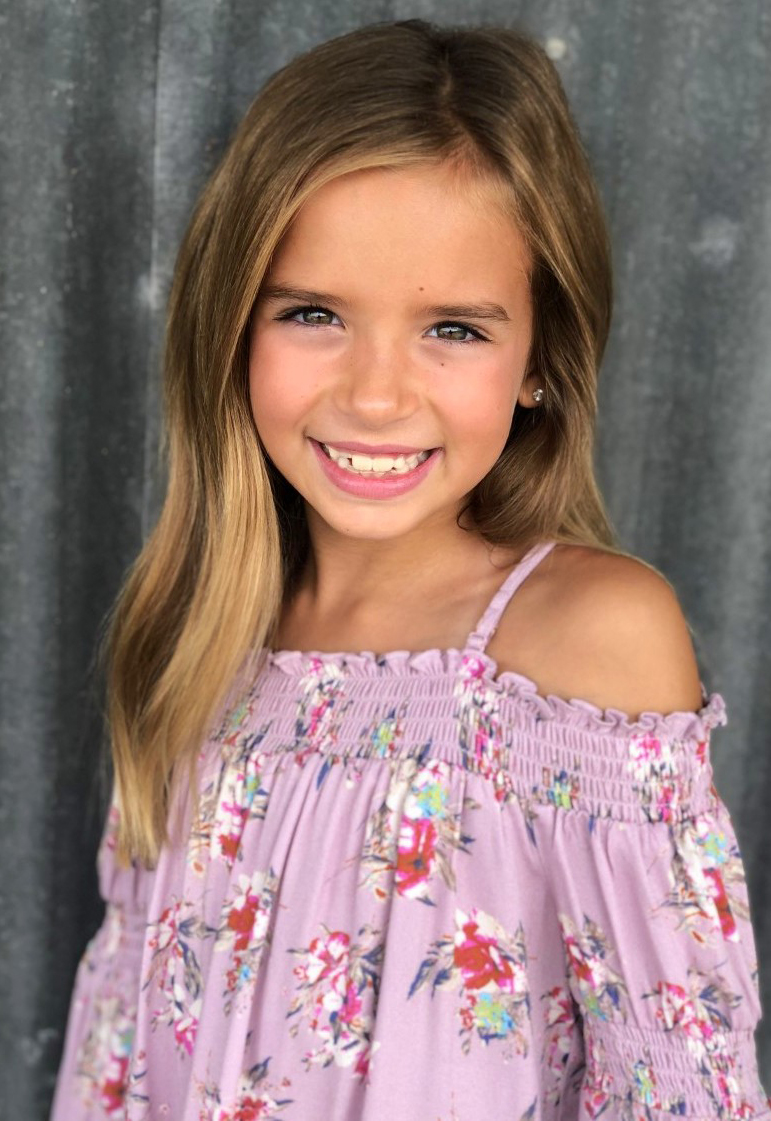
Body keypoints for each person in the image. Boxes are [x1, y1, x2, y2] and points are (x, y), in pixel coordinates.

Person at [50, 17, 769, 1121]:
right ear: (230, 329)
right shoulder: (201, 639)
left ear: (540, 359)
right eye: (314, 314)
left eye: (454, 329)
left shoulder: (584, 647)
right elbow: (124, 1052)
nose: (377, 394)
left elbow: (676, 1092)